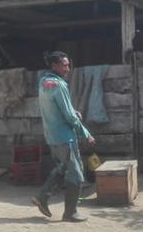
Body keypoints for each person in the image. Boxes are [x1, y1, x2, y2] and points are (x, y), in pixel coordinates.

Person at [31, 51, 95, 222]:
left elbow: (56, 107)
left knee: (62, 169)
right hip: (65, 137)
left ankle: (42, 196)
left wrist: (72, 112)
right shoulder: (59, 85)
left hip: (52, 135)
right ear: (54, 66)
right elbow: (69, 116)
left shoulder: (44, 82)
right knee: (76, 175)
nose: (68, 69)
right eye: (64, 65)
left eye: (68, 65)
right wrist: (86, 133)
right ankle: (70, 213)